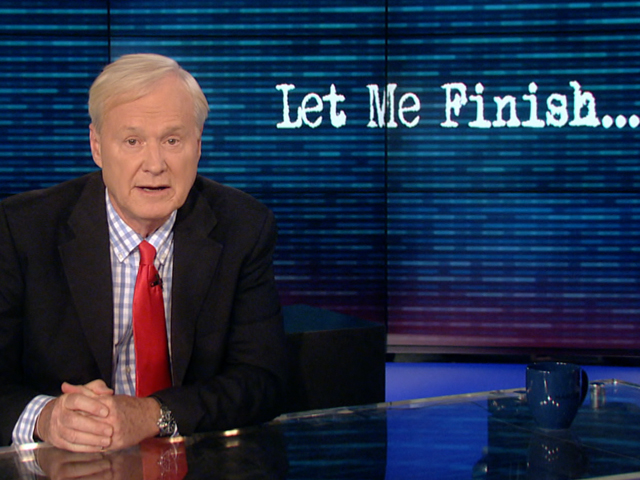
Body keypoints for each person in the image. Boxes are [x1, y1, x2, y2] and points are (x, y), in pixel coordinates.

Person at [0, 53, 287, 452]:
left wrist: (153, 415)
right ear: (97, 146)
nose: (155, 164)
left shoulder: (243, 228)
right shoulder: (22, 231)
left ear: (198, 146)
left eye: (172, 140)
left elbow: (262, 380)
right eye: (132, 141)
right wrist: (46, 418)